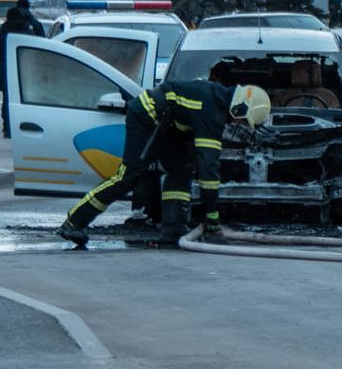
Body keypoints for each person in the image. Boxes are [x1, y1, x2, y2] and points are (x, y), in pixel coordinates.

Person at [55, 82, 271, 247]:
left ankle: (174, 229)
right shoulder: (212, 112)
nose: (238, 124)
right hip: (146, 117)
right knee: (129, 177)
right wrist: (212, 215)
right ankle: (74, 222)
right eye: (243, 120)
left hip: (170, 125)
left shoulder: (217, 100)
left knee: (181, 171)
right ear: (239, 108)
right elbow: (208, 170)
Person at [0, 0, 45, 138]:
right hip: (28, 70)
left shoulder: (3, 30)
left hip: (7, 69)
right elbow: (42, 46)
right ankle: (27, 126)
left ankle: (7, 128)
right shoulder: (29, 27)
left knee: (8, 99)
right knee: (28, 99)